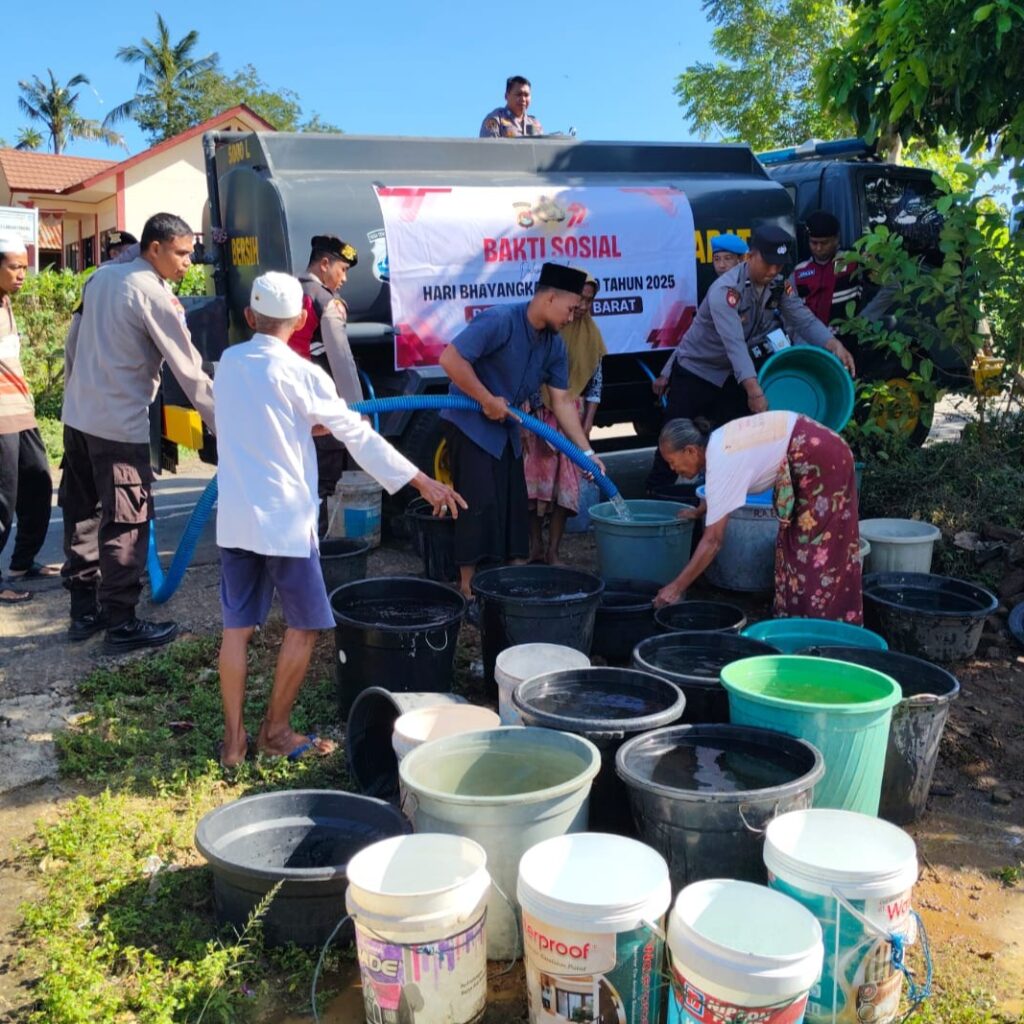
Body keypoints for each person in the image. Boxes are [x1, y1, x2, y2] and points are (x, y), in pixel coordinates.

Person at [214, 272, 464, 765]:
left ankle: (233, 743)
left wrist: (309, 420)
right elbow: (360, 436)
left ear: (249, 318)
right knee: (305, 625)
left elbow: (265, 415)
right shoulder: (303, 372)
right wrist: (423, 481)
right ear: (303, 319)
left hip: (237, 515)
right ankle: (276, 734)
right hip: (284, 520)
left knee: (236, 630)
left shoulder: (229, 362)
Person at [60, 212, 215, 652]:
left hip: (79, 419)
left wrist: (73, 398)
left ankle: (83, 612)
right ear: (155, 248)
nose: (188, 262)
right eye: (181, 253)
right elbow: (190, 371)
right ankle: (122, 622)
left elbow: (73, 343)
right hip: (118, 427)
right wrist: (226, 427)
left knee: (83, 514)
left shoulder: (101, 279)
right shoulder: (152, 293)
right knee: (126, 522)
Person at [645, 225, 856, 493]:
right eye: (768, 264)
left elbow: (801, 316)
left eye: (779, 266)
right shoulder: (726, 291)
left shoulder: (779, 283)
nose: (773, 271)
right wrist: (754, 390)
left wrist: (832, 343)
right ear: (750, 256)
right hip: (697, 370)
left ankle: (719, 495)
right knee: (676, 434)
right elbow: (734, 344)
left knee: (730, 438)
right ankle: (656, 493)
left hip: (733, 375)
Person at [439, 262, 604, 600]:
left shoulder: (554, 345)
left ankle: (510, 586)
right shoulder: (501, 320)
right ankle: (468, 589)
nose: (573, 317)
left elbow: (561, 403)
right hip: (471, 426)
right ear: (550, 298)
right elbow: (450, 359)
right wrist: (486, 399)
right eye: (571, 309)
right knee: (477, 505)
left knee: (514, 506)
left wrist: (586, 453)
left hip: (508, 432)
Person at [654, 413, 863, 623]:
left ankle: (821, 629)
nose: (673, 469)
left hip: (823, 457)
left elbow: (713, 541)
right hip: (817, 448)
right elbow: (722, 491)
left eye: (672, 462)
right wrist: (699, 511)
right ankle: (793, 622)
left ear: (690, 450)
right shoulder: (717, 444)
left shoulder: (721, 459)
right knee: (793, 546)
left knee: (815, 552)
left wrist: (676, 587)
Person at [523, 272, 606, 564]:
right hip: (537, 415)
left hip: (572, 419)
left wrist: (585, 429)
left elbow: (594, 386)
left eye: (589, 300)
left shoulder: (592, 335)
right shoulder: (546, 330)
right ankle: (534, 546)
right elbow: (531, 375)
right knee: (532, 486)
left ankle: (554, 551)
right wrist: (534, 420)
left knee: (565, 488)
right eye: (579, 299)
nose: (582, 306)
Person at [288, 234, 364, 534]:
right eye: (342, 269)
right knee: (322, 488)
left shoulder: (288, 292)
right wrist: (358, 411)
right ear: (324, 264)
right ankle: (316, 554)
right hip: (319, 413)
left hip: (286, 407)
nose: (343, 278)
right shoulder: (326, 302)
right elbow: (342, 362)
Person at [0, 236, 58, 604]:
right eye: (14, 267)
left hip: (20, 411)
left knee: (38, 480)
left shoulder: (6, 303)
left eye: (24, 266)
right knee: (2, 500)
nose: (22, 274)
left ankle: (23, 562)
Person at [793, 210, 894, 344]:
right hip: (809, 348)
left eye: (824, 243)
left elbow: (893, 286)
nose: (818, 248)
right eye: (814, 242)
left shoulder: (854, 262)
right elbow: (788, 302)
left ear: (836, 239)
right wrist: (795, 337)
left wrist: (865, 319)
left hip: (845, 344)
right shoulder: (799, 272)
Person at [479, 76, 544, 137]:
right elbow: (489, 147)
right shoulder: (495, 120)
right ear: (506, 96)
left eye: (526, 95)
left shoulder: (535, 124)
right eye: (519, 94)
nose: (523, 99)